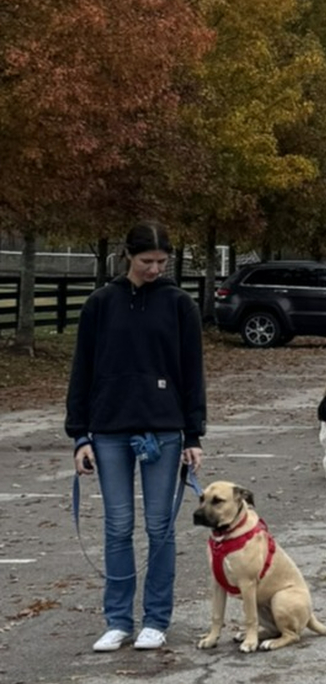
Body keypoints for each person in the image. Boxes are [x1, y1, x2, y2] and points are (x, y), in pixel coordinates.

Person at [64, 222, 206, 652]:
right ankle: (118, 619)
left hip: (164, 427)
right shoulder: (100, 304)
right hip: (109, 427)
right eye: (147, 261)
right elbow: (82, 369)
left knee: (160, 526)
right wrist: (79, 435)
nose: (155, 269)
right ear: (128, 255)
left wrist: (193, 434)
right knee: (118, 524)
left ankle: (156, 618)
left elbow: (192, 372)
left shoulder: (180, 305)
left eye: (162, 262)